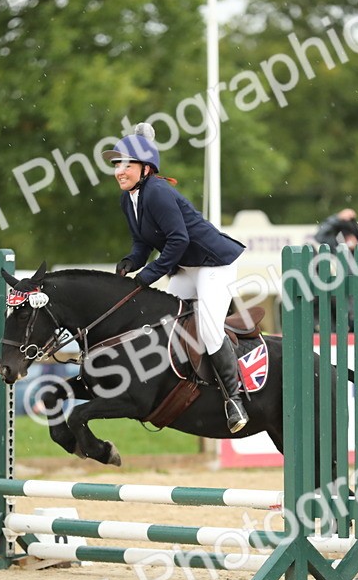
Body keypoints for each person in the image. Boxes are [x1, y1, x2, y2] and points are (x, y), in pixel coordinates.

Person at [103, 122, 249, 433]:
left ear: (146, 168)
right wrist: (132, 262)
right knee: (168, 323)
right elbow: (143, 241)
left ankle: (234, 399)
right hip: (186, 268)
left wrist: (150, 275)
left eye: (127, 164)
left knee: (208, 330)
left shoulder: (157, 191)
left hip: (213, 264)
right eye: (117, 164)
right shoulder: (128, 199)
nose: (120, 171)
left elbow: (178, 240)